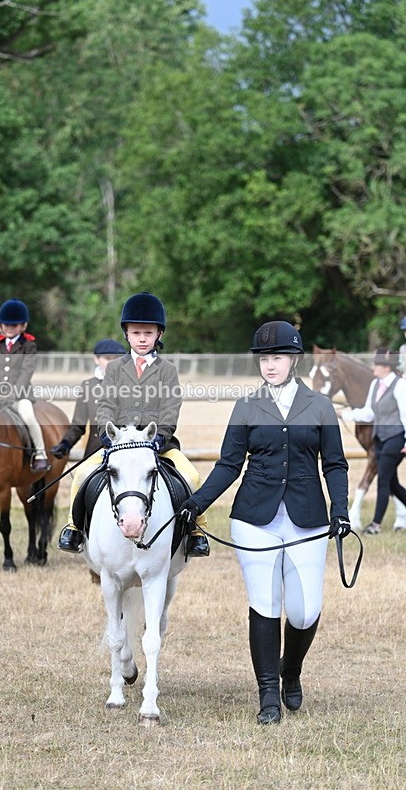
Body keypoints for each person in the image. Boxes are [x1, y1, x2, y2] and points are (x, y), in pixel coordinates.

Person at [178, 321, 350, 725]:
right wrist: (195, 503)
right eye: (264, 359)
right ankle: (268, 693)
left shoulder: (320, 406)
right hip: (255, 517)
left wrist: (339, 509)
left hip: (308, 518)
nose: (270, 365)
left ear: (294, 360)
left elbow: (336, 465)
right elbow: (229, 465)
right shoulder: (247, 406)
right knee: (265, 604)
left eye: (278, 358)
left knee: (305, 611)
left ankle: (291, 670)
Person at [57, 292, 210, 557]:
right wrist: (107, 432)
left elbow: (171, 408)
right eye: (136, 332)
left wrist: (161, 435)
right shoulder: (115, 368)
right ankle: (74, 528)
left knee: (192, 476)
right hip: (119, 445)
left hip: (159, 445)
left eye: (148, 333)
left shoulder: (168, 370)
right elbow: (105, 404)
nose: (142, 338)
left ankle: (197, 531)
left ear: (158, 335)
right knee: (81, 475)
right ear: (126, 334)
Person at [341, 347, 406, 535]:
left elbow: (405, 415)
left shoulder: (400, 386)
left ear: (386, 367)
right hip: (380, 439)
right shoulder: (375, 385)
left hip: (396, 438)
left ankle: (375, 525)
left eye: (377, 364)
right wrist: (344, 414)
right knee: (393, 484)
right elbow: (368, 413)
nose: (374, 366)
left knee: (383, 481)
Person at [0, 298, 50, 472]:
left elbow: (26, 372)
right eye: (6, 325)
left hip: (20, 396)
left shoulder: (28, 345)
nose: (10, 328)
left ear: (23, 326)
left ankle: (40, 454)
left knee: (28, 417)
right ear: (0, 326)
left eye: (14, 325)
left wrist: (13, 394)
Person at [50, 338, 127, 461]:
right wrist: (65, 444)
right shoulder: (87, 386)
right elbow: (78, 426)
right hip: (95, 453)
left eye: (116, 359)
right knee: (79, 480)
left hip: (126, 453)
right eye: (107, 358)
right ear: (96, 359)